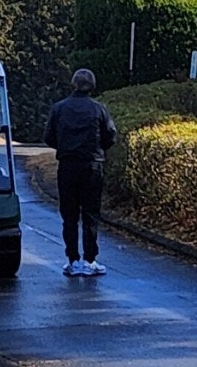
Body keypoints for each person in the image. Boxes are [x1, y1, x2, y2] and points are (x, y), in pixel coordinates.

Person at [43, 68, 117, 277]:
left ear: (73, 84)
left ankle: (72, 260)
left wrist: (64, 147)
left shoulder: (59, 109)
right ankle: (90, 260)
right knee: (91, 214)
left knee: (69, 215)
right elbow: (110, 136)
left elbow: (48, 136)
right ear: (92, 86)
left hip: (67, 166)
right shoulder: (98, 109)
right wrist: (98, 148)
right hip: (92, 165)